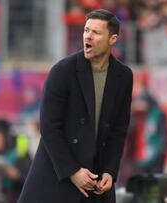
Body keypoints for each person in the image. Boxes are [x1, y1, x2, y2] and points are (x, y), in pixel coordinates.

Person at [18, 9, 133, 203]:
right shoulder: (62, 71)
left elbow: (118, 130)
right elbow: (49, 127)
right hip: (57, 177)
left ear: (112, 39)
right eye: (86, 30)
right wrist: (73, 171)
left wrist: (110, 172)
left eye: (96, 32)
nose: (88, 36)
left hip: (96, 183)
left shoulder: (124, 76)